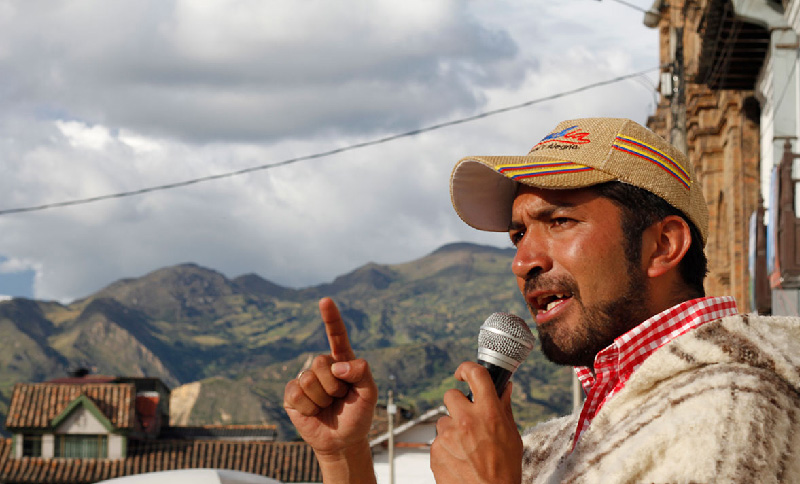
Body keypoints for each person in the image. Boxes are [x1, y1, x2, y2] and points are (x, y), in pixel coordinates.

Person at [284, 117, 800, 483]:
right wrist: (346, 455)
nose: (523, 260)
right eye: (516, 236)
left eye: (559, 221)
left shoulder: (733, 409)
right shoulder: (557, 445)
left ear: (663, 245)